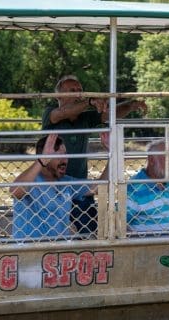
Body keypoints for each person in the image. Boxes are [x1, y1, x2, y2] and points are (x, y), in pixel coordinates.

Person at [42, 74, 147, 233]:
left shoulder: (85, 118)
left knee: (89, 232)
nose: (79, 93)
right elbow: (63, 112)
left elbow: (110, 114)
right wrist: (90, 101)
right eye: (73, 90)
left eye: (80, 90)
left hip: (81, 189)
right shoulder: (50, 113)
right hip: (54, 189)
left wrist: (131, 105)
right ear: (59, 96)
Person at [10, 134, 107, 239]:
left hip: (60, 250)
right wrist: (41, 161)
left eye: (65, 155)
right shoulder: (30, 180)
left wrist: (112, 154)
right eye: (58, 156)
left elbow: (101, 186)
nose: (64, 160)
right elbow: (15, 191)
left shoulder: (66, 182)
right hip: (31, 250)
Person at [126, 140, 169, 233]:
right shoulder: (134, 187)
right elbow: (119, 223)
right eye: (167, 158)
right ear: (151, 160)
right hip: (146, 245)